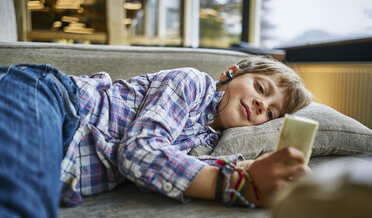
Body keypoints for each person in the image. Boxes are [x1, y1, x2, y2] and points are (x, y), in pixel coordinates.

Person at [0, 56, 312, 218]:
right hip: (50, 100)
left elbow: (173, 169)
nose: (261, 105)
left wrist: (251, 170)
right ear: (229, 74)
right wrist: (238, 184)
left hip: (56, 158)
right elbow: (140, 154)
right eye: (261, 88)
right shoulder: (192, 84)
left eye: (271, 113)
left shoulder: (205, 143)